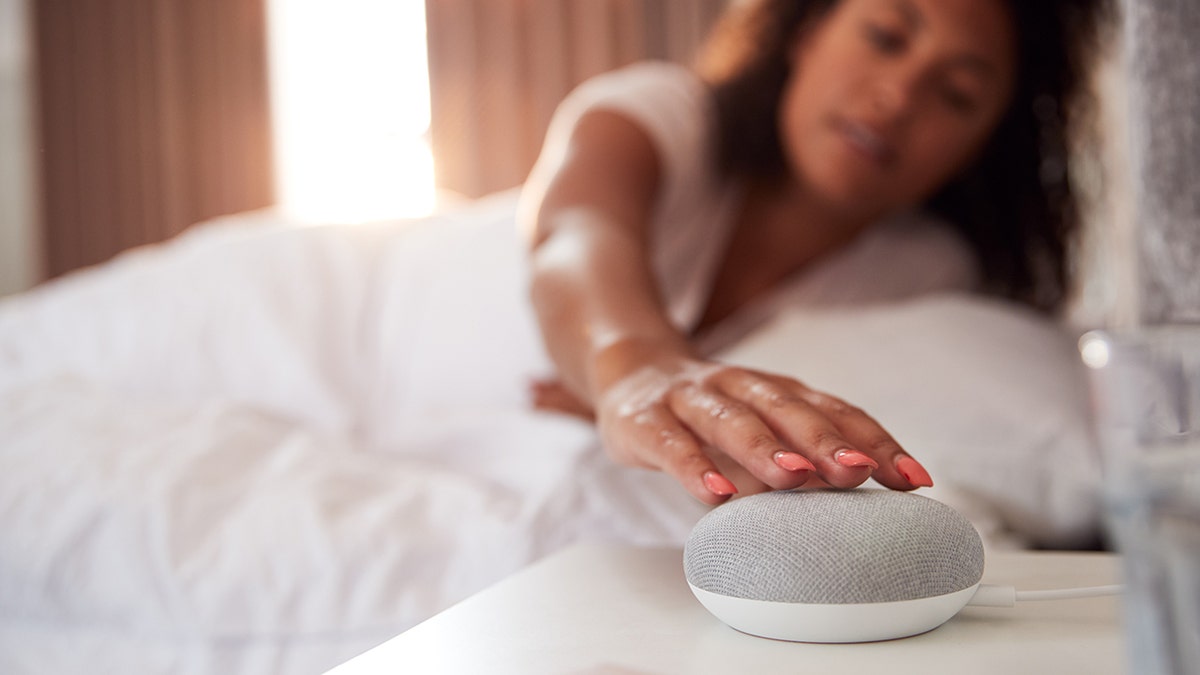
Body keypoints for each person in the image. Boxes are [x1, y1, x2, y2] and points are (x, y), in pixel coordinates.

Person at [517, 0, 1109, 505]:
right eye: (884, 38)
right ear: (806, 30)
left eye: (956, 95)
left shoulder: (928, 275)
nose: (897, 97)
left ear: (982, 147)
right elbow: (575, 232)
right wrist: (634, 366)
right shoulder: (662, 116)